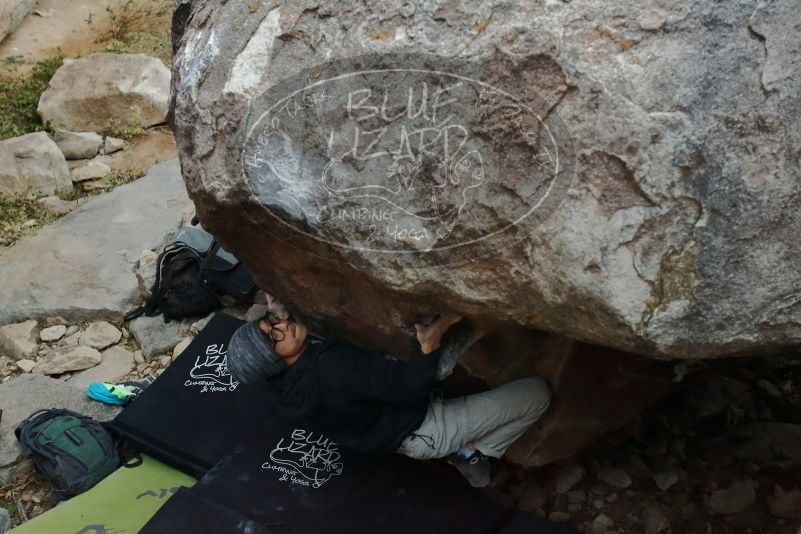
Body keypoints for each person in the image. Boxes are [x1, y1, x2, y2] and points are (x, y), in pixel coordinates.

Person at [226, 299, 551, 487]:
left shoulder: (285, 387)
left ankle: (462, 447)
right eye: (274, 337)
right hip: (427, 429)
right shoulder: (331, 368)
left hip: (395, 436)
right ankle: (470, 451)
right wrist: (428, 342)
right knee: (537, 393)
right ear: (273, 361)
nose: (283, 325)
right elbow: (409, 386)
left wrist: (276, 305)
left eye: (272, 323)